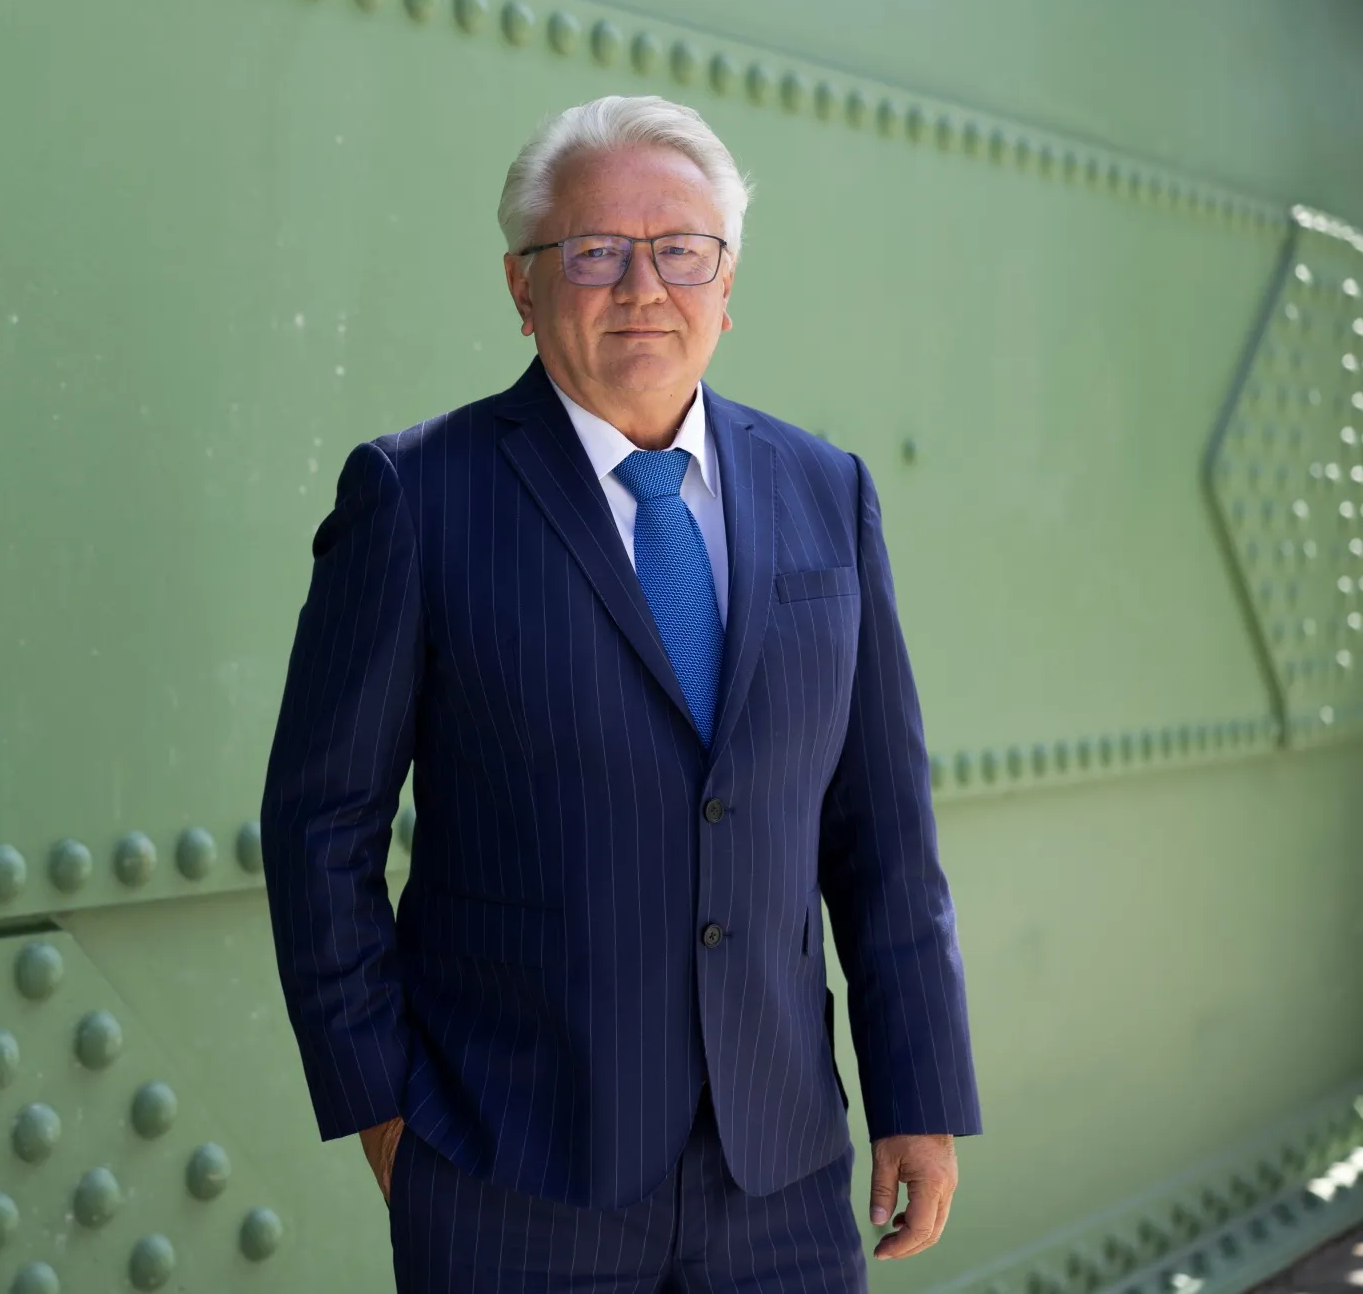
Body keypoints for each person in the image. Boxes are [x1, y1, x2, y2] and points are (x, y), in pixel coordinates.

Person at [259, 94, 980, 1293]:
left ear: (725, 282)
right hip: (508, 1171)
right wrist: (383, 1111)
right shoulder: (415, 496)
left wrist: (918, 1091)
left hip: (779, 1175)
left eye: (681, 250)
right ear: (521, 284)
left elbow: (882, 831)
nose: (643, 287)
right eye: (594, 251)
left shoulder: (827, 491)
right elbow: (318, 828)